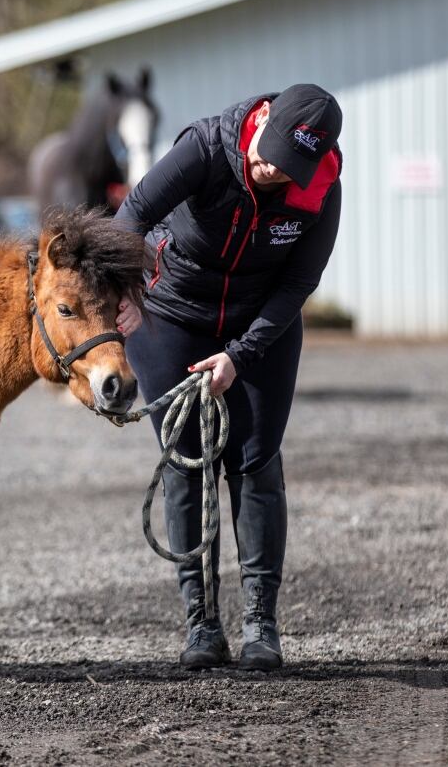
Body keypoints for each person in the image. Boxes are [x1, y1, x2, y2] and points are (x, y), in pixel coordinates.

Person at [113, 84, 342, 671]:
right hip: (171, 314)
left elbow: (298, 284)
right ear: (261, 121)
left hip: (260, 321)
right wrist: (122, 296)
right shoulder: (206, 147)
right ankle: (201, 624)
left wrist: (240, 355)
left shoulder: (321, 192)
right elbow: (132, 216)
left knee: (257, 461)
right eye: (267, 154)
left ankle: (261, 622)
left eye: (288, 168)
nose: (269, 169)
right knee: (187, 458)